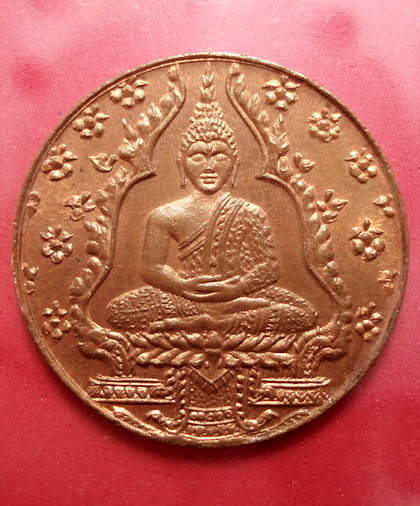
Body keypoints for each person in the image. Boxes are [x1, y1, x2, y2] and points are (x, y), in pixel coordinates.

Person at [107, 73, 317, 336]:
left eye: (219, 155)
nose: (209, 166)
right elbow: (151, 268)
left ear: (234, 163)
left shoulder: (250, 211)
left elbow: (270, 268)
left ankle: (211, 323)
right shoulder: (164, 215)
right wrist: (183, 287)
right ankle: (220, 321)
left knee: (305, 314)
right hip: (187, 296)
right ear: (182, 164)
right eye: (197, 156)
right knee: (118, 311)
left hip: (240, 295)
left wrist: (236, 289)